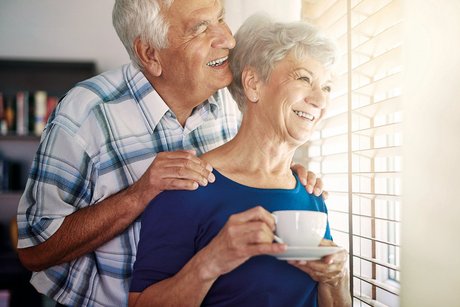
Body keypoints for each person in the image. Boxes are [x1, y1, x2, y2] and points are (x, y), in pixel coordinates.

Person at [15, 0, 324, 306]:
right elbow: (35, 251)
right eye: (201, 28)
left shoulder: (229, 100)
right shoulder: (86, 116)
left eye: (220, 18)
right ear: (150, 53)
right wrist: (139, 194)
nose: (228, 39)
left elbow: (237, 177)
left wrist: (280, 173)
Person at [129, 14, 351, 307]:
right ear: (253, 83)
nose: (320, 101)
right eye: (303, 78)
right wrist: (211, 261)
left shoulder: (311, 196)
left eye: (326, 88)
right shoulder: (188, 187)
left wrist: (335, 279)